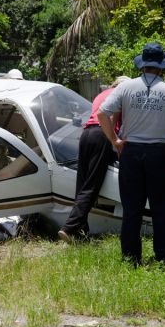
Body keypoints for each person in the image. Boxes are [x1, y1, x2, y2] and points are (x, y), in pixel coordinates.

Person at [97, 43, 165, 267]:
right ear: (161, 68)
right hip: (159, 155)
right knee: (161, 208)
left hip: (131, 153)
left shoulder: (126, 88)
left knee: (131, 209)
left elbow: (101, 113)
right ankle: (164, 256)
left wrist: (115, 141)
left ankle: (130, 257)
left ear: (142, 64)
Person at [57, 77, 128, 242]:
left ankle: (81, 232)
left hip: (86, 135)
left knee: (82, 184)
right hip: (102, 135)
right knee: (92, 185)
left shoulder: (101, 94)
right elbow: (116, 122)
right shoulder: (122, 95)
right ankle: (69, 227)